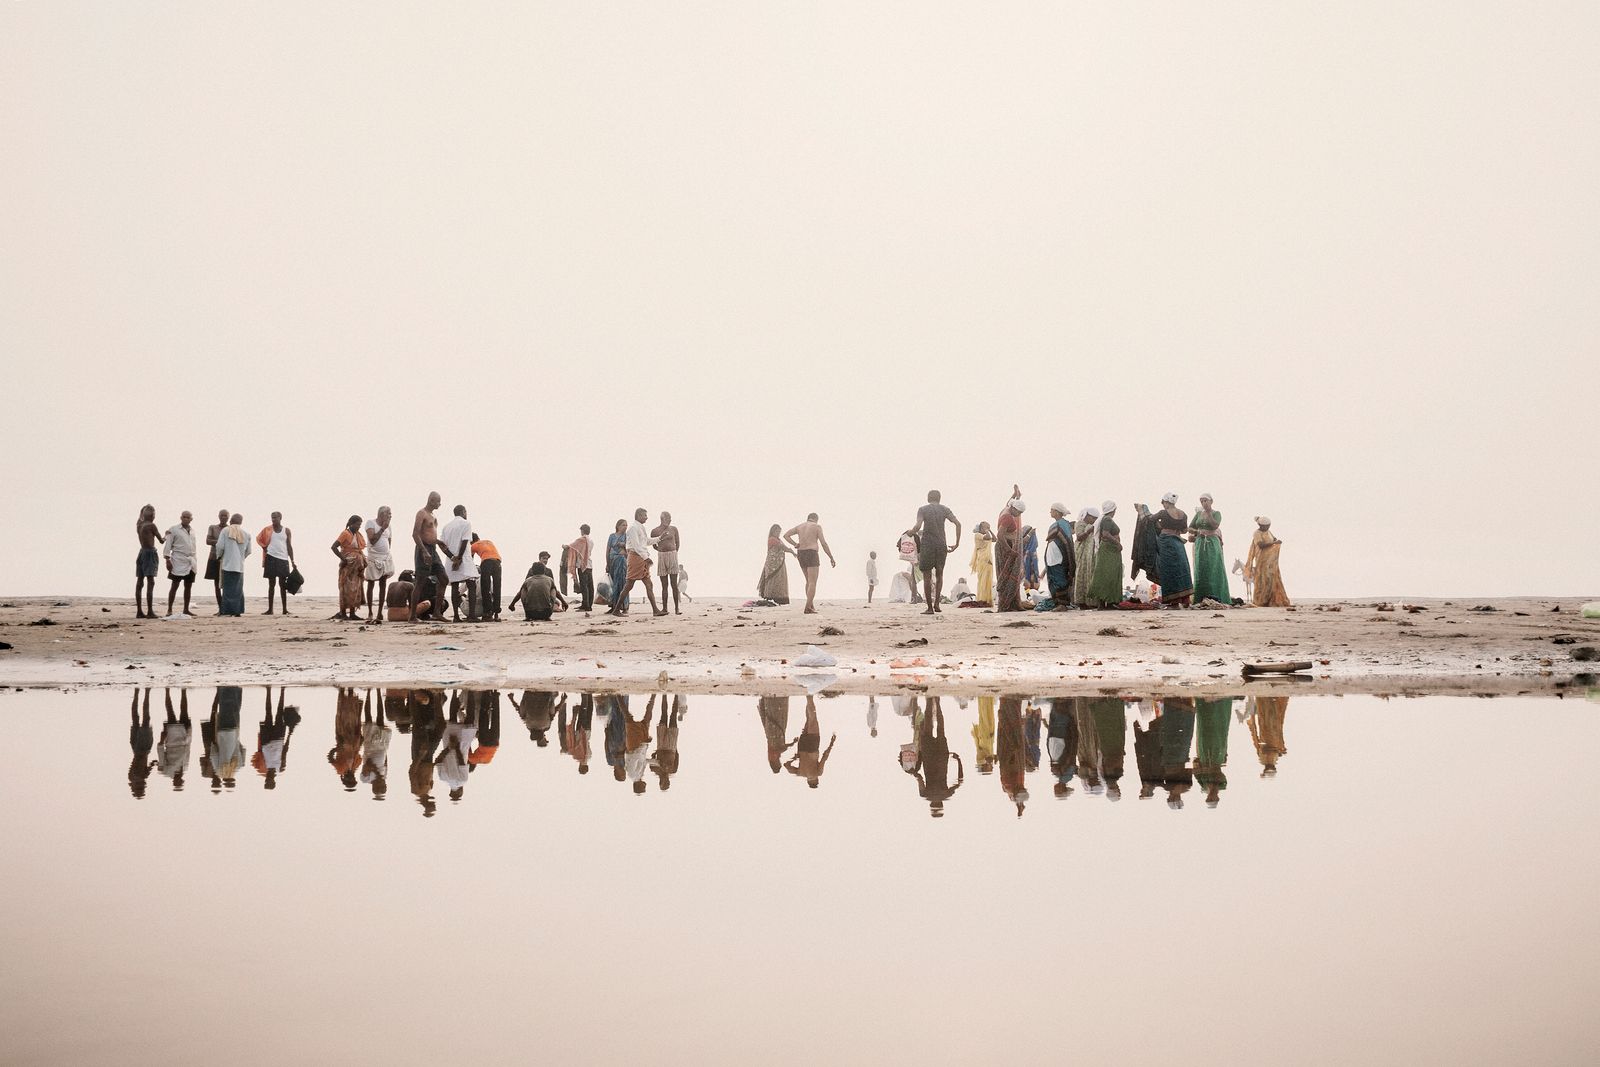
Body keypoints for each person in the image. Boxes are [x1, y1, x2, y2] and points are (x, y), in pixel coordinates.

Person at [908, 490, 962, 613]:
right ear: (939, 498)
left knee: (927, 576)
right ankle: (937, 604)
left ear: (928, 498)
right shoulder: (945, 509)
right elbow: (958, 524)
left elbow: (917, 526)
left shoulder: (923, 509)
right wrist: (957, 543)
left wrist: (910, 532)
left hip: (928, 545)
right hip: (941, 544)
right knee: (940, 574)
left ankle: (929, 608)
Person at [610, 508, 665, 617]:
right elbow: (636, 546)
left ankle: (655, 610)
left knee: (648, 584)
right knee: (629, 585)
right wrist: (646, 558)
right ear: (639, 515)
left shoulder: (640, 527)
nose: (646, 517)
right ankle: (616, 610)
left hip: (641, 558)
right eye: (645, 515)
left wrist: (659, 538)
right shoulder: (633, 528)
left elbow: (646, 542)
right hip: (636, 558)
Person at [783, 513, 836, 614]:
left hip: (801, 553)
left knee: (808, 580)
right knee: (813, 582)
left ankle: (810, 605)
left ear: (807, 518)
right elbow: (823, 543)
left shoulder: (800, 526)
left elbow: (786, 536)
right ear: (816, 519)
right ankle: (807, 607)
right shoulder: (816, 526)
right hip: (811, 553)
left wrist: (795, 544)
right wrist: (831, 557)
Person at [784, 695, 837, 788]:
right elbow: (786, 765)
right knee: (809, 719)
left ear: (816, 781)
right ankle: (808, 698)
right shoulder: (800, 773)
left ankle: (809, 696)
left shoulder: (818, 773)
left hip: (813, 747)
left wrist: (831, 744)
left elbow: (824, 757)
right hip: (802, 748)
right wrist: (795, 758)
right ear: (808, 782)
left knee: (812, 718)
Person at [439, 504, 479, 622]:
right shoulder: (466, 524)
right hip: (464, 558)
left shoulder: (446, 527)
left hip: (451, 560)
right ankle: (471, 615)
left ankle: (456, 616)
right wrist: (459, 558)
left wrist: (452, 557)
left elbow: (441, 545)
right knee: (471, 584)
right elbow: (465, 540)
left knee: (455, 586)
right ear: (463, 512)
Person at [1189, 494, 1231, 605]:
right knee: (1201, 568)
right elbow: (1190, 526)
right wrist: (1197, 533)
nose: (1203, 503)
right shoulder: (1198, 514)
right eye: (1202, 501)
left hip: (1212, 542)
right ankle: (1200, 597)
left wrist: (1208, 513)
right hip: (1200, 542)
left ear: (1211, 501)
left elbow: (1215, 525)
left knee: (1213, 567)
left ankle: (1217, 595)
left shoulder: (1216, 513)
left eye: (1205, 501)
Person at [1155, 492, 1194, 607]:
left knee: (1168, 570)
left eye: (1163, 503)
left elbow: (1150, 519)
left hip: (1166, 542)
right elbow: (1184, 530)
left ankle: (1174, 601)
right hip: (1178, 542)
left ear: (1166, 502)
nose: (1163, 505)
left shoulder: (1163, 513)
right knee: (1182, 569)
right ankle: (1185, 600)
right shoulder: (1183, 514)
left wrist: (1159, 525)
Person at [412, 492, 446, 621]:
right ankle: (412, 616)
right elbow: (415, 534)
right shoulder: (422, 513)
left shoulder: (433, 516)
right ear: (431, 500)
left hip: (433, 549)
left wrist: (438, 541)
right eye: (438, 501)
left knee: (443, 579)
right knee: (420, 581)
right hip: (423, 549)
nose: (440, 504)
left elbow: (430, 534)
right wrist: (424, 551)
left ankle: (437, 612)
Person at [1244, 516, 1291, 607]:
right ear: (1260, 525)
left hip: (1271, 561)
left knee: (1272, 580)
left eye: (1268, 526)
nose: (1267, 527)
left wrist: (1276, 541)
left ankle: (1271, 599)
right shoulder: (1257, 533)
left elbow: (1273, 539)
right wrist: (1274, 543)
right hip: (1262, 560)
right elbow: (1261, 545)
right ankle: (1261, 600)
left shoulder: (1268, 532)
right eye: (1265, 526)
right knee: (1262, 580)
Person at [255, 512, 296, 615]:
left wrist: (292, 561)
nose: (273, 520)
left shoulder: (286, 530)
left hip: (283, 559)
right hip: (271, 557)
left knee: (283, 585)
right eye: (272, 518)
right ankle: (270, 609)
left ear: (280, 518)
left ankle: (284, 609)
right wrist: (264, 547)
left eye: (275, 518)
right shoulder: (268, 529)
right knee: (271, 584)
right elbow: (258, 538)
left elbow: (289, 546)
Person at [212, 513, 252, 616]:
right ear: (241, 522)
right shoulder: (246, 533)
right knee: (238, 589)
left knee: (227, 588)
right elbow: (249, 551)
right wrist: (241, 558)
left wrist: (219, 556)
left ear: (230, 521)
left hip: (227, 564)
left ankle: (227, 610)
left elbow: (220, 546)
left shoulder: (225, 531)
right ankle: (237, 610)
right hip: (239, 565)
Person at [1087, 501, 1124, 608]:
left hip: (1109, 550)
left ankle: (1106, 602)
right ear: (1112, 510)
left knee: (1107, 575)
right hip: (1109, 550)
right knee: (1107, 575)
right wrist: (1118, 543)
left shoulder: (1104, 519)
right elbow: (1105, 534)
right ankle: (1105, 602)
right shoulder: (1107, 519)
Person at [994, 487, 1026, 612]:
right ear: (1014, 509)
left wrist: (1015, 495)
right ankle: (1006, 604)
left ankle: (1015, 603)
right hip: (1004, 547)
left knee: (1014, 574)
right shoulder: (1007, 517)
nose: (1019, 515)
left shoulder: (1007, 509)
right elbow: (1000, 535)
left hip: (1007, 545)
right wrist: (1009, 550)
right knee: (1007, 576)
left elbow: (1009, 502)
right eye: (1019, 512)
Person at [329, 515, 366, 621]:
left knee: (356, 588)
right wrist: (343, 559)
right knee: (345, 588)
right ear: (351, 523)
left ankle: (353, 613)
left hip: (357, 568)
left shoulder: (358, 535)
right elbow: (334, 547)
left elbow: (359, 549)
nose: (359, 527)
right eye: (357, 524)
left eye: (360, 525)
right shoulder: (345, 533)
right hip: (347, 566)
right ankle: (343, 612)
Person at [363, 506, 396, 623]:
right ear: (382, 514)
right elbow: (372, 540)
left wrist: (386, 554)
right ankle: (370, 612)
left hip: (385, 558)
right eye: (389, 514)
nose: (390, 516)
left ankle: (380, 612)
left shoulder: (389, 527)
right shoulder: (370, 523)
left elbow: (389, 542)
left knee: (383, 583)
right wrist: (382, 528)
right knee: (371, 583)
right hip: (373, 557)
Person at [163, 510, 198, 618]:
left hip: (191, 560)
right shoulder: (174, 529)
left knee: (188, 586)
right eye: (184, 517)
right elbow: (168, 545)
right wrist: (167, 560)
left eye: (188, 517)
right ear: (181, 517)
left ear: (191, 519)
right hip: (177, 560)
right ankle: (169, 609)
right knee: (175, 585)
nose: (186, 519)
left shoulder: (193, 531)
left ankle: (186, 609)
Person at [1043, 504, 1076, 609]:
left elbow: (1067, 541)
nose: (1050, 512)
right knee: (1054, 576)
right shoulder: (1059, 524)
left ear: (1057, 512)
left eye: (1051, 510)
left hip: (1058, 555)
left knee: (1059, 577)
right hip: (1053, 554)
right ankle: (1057, 603)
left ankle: (1062, 604)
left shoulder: (1062, 524)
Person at [134, 505, 163, 619]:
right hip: (150, 553)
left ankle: (139, 611)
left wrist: (143, 509)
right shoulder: (152, 525)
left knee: (139, 582)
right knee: (150, 582)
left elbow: (139, 517)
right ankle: (150, 611)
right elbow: (161, 540)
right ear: (152, 515)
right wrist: (167, 535)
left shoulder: (139, 525)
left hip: (141, 553)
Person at [652, 511, 684, 615]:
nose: (670, 520)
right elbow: (654, 544)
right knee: (664, 585)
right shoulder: (655, 531)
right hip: (662, 556)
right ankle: (665, 608)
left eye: (670, 518)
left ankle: (676, 609)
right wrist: (661, 550)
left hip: (672, 555)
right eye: (668, 518)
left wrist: (673, 551)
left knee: (674, 584)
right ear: (662, 519)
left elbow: (678, 542)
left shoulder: (674, 529)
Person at [128, 687, 156, 798]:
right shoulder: (131, 778)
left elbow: (149, 764)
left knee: (146, 719)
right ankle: (136, 693)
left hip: (144, 749)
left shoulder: (142, 777)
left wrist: (155, 763)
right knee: (135, 718)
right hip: (134, 748)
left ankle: (147, 692)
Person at [1128, 503, 1161, 592]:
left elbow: (1159, 529)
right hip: (1142, 549)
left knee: (1155, 571)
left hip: (1151, 548)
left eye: (1138, 509)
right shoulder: (1140, 519)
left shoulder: (1151, 518)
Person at [758, 523, 794, 604]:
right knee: (773, 578)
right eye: (777, 531)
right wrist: (791, 551)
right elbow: (782, 547)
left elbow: (783, 548)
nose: (778, 533)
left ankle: (779, 597)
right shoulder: (772, 539)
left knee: (779, 579)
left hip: (779, 562)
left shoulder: (778, 539)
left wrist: (791, 551)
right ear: (773, 531)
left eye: (779, 532)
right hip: (773, 563)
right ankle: (770, 596)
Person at [471, 534, 503, 621]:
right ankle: (496, 613)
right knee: (497, 587)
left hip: (486, 562)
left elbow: (470, 560)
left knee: (486, 588)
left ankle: (487, 613)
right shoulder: (489, 541)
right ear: (478, 538)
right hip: (497, 562)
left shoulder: (473, 545)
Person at [1072, 507, 1099, 607]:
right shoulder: (1079, 524)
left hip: (1090, 554)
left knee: (1089, 574)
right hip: (1081, 553)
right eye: (1092, 518)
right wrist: (1088, 531)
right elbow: (1079, 537)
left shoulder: (1093, 525)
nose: (1094, 520)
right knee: (1081, 574)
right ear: (1087, 516)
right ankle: (1081, 601)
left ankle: (1091, 601)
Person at [204, 508, 229, 613]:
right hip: (214, 558)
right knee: (216, 584)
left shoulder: (230, 529)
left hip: (226, 559)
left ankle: (227, 607)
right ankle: (220, 608)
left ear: (228, 517)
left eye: (225, 516)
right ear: (219, 516)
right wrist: (221, 542)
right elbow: (208, 541)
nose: (223, 517)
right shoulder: (213, 527)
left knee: (227, 584)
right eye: (222, 515)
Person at [605, 519, 630, 613]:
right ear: (618, 526)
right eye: (623, 525)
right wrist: (607, 563)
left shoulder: (626, 537)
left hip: (622, 561)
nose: (625, 527)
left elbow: (630, 548)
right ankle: (613, 606)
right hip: (612, 562)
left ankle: (625, 607)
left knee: (622, 583)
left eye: (626, 525)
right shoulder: (612, 536)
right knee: (613, 584)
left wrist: (623, 544)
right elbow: (607, 550)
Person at [569, 524, 595, 612]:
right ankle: (588, 605)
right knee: (590, 586)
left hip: (582, 565)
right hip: (589, 565)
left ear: (582, 531)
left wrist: (564, 546)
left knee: (584, 586)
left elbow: (571, 546)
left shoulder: (582, 539)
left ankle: (586, 606)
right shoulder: (591, 540)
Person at [969, 522, 995, 605]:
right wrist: (987, 530)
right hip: (982, 558)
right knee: (983, 579)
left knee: (988, 579)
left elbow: (995, 539)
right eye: (984, 528)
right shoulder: (978, 535)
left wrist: (989, 530)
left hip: (988, 558)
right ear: (980, 529)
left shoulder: (985, 535)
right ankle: (982, 599)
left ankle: (987, 600)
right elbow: (987, 537)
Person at [1021, 524, 1040, 591]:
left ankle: (1028, 594)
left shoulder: (1024, 551)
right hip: (1031, 584)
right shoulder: (1032, 551)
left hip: (1027, 582)